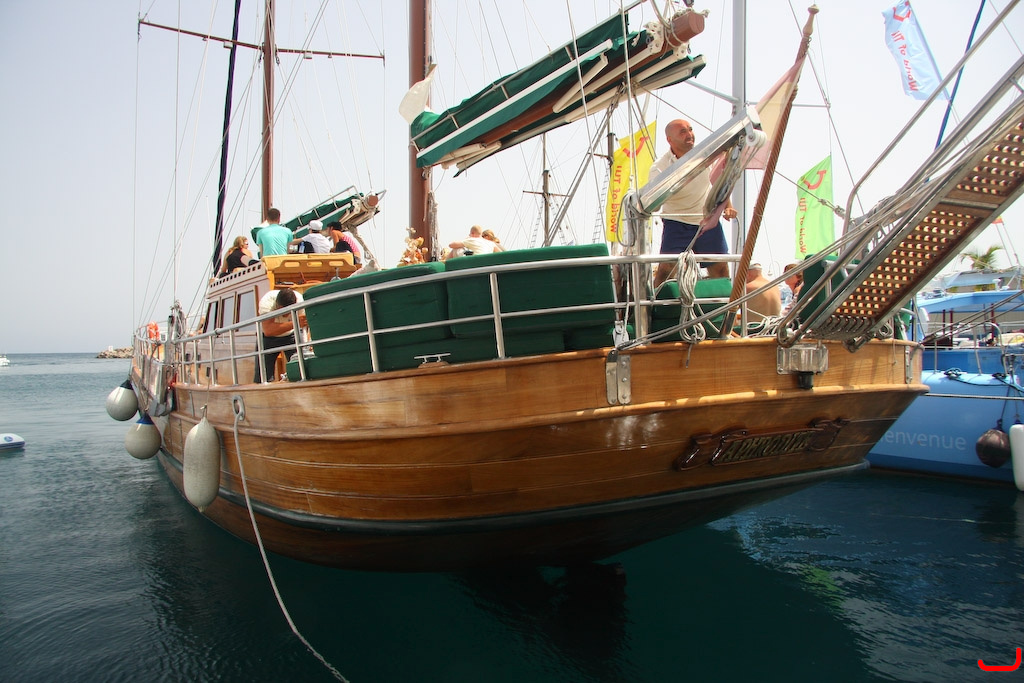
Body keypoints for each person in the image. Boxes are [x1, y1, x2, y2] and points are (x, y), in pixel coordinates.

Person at [649, 119, 736, 284]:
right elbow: (655, 204)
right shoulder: (660, 168)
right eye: (683, 132)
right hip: (676, 222)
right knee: (666, 271)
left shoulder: (706, 155)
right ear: (669, 139)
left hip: (707, 220)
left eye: (690, 129)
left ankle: (724, 301)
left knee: (720, 269)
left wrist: (728, 206)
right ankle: (656, 301)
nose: (689, 134)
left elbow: (719, 182)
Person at [254, 288, 305, 383]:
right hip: (268, 339)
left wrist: (308, 343)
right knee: (263, 377)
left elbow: (305, 324)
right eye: (281, 310)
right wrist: (295, 322)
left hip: (292, 334)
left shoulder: (300, 301)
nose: (285, 314)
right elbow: (268, 330)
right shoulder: (267, 302)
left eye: (287, 311)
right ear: (277, 305)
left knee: (302, 368)